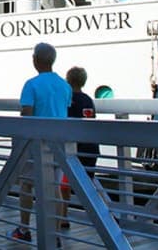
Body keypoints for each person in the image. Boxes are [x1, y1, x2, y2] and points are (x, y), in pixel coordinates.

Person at [9, 43, 72, 246]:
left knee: (27, 184)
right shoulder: (65, 85)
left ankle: (24, 228)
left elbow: (27, 114)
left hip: (36, 143)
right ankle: (55, 234)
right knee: (54, 187)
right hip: (58, 144)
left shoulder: (31, 84)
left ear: (36, 60)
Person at [60, 66, 100, 229]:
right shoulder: (88, 99)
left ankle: (63, 216)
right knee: (88, 184)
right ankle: (104, 215)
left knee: (64, 183)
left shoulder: (68, 100)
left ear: (68, 80)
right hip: (90, 146)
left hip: (73, 148)